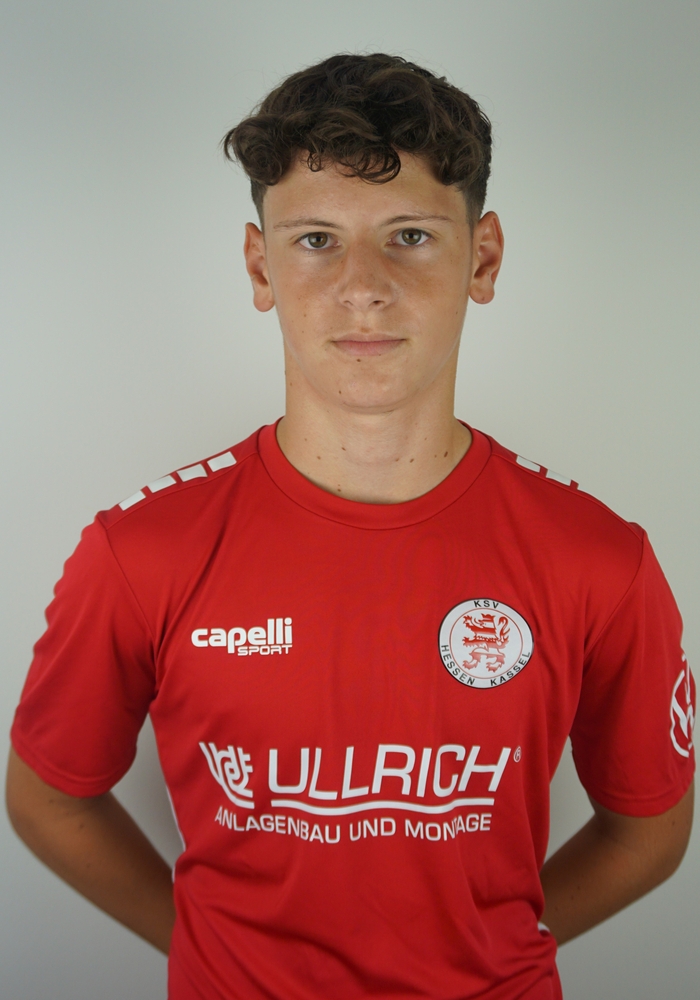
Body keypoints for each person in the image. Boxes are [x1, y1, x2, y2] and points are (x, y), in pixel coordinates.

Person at [6, 52, 695, 1000]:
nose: (362, 286)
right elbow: (48, 796)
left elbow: (649, 828)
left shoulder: (601, 561)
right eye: (316, 240)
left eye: (409, 235)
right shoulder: (140, 553)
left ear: (483, 258)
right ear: (260, 265)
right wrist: (209, 949)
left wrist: (495, 951)